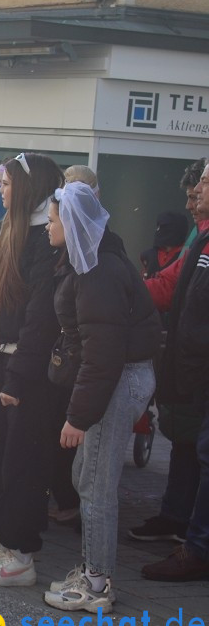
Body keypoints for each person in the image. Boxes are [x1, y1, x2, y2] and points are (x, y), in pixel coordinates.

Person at [38, 182, 160, 611]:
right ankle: (93, 572)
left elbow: (103, 355)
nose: (47, 227)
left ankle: (96, 584)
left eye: (52, 220)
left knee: (95, 487)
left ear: (70, 223)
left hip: (117, 383)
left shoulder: (98, 271)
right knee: (85, 480)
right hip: (117, 380)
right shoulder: (90, 262)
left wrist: (78, 416)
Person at [0, 153, 64, 587]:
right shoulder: (11, 230)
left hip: (28, 364)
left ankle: (22, 554)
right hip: (1, 357)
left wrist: (17, 375)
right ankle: (4, 541)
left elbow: (41, 317)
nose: (1, 190)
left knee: (21, 460)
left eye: (5, 184)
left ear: (26, 187)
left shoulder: (47, 238)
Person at [130, 160, 207, 546]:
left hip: (196, 364)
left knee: (192, 442)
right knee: (183, 440)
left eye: (198, 193)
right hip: (186, 358)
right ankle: (178, 516)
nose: (193, 203)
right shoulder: (198, 235)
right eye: (191, 195)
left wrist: (128, 288)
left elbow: (173, 287)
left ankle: (187, 525)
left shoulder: (201, 240)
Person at [140, 211, 188, 279]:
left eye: (164, 227)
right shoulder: (148, 256)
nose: (159, 230)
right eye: (158, 227)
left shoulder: (186, 255)